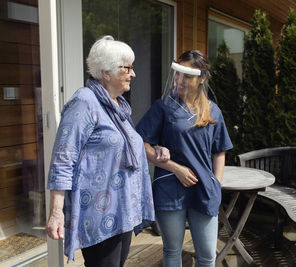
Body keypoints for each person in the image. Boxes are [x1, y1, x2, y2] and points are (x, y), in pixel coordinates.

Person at [46, 35, 156, 267]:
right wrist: (56, 212)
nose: (133, 74)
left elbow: (125, 147)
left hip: (122, 211)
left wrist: (157, 150)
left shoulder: (118, 106)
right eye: (127, 68)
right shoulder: (85, 102)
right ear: (106, 72)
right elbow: (63, 157)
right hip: (100, 213)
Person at [136, 50, 233, 267]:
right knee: (172, 251)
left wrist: (216, 183)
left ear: (202, 79)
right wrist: (174, 168)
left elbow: (219, 151)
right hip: (169, 189)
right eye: (178, 73)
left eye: (187, 76)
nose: (180, 80)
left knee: (207, 255)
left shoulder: (213, 112)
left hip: (204, 190)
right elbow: (141, 144)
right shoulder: (163, 107)